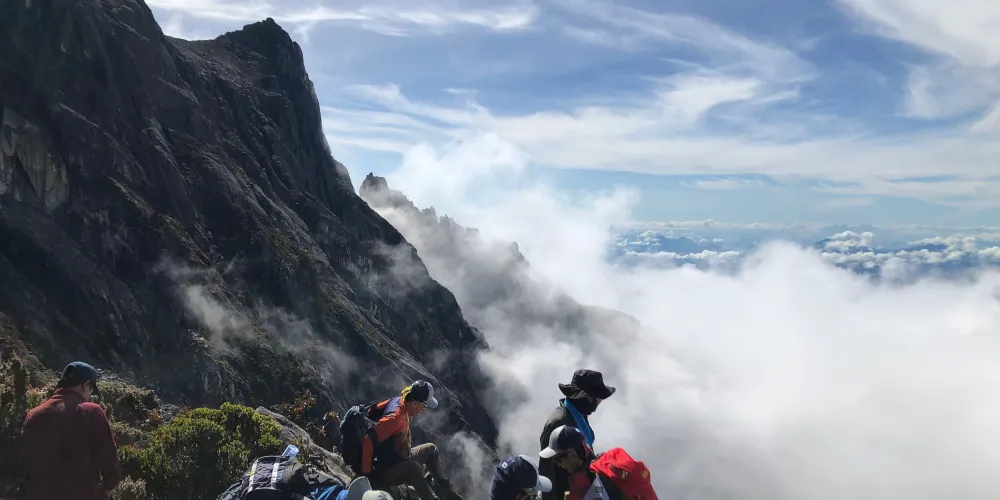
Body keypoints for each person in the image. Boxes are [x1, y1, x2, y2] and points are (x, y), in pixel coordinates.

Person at [18, 361, 122, 500]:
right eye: (91, 390)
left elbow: (26, 465)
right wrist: (104, 493)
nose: (90, 395)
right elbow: (110, 467)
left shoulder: (33, 415)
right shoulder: (90, 411)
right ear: (86, 385)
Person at [359, 380, 463, 500]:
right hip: (386, 469)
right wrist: (368, 477)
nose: (423, 409)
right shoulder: (394, 419)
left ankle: (447, 492)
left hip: (399, 458)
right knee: (415, 469)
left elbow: (371, 411)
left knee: (431, 450)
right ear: (414, 403)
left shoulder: (401, 401)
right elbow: (369, 440)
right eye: (424, 405)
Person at [538, 369, 616, 500]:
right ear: (589, 398)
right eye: (598, 398)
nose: (599, 402)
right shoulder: (559, 422)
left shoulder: (578, 416)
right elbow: (546, 470)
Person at [540, 426, 657, 500]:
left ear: (572, 454)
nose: (559, 465)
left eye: (558, 459)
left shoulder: (582, 480)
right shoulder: (609, 464)